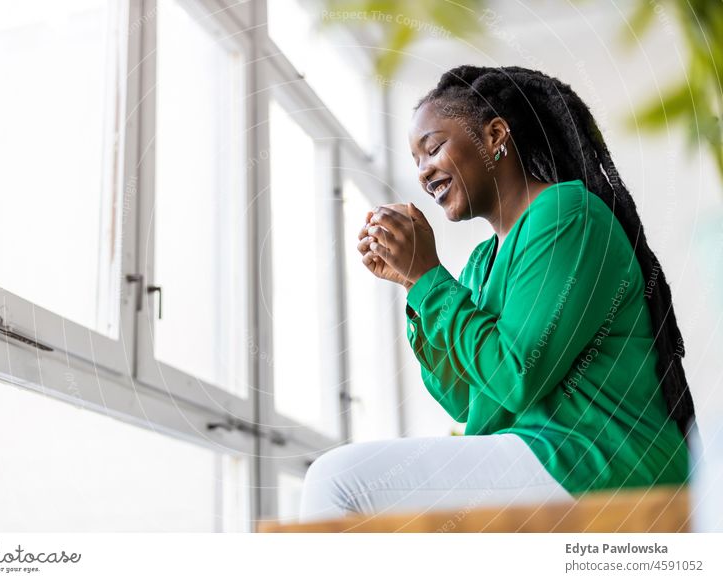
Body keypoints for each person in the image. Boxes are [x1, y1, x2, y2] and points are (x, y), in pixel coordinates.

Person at [298, 65, 697, 523]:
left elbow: (517, 374)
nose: (425, 172)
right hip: (545, 460)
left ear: (494, 135)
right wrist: (414, 283)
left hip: (598, 459)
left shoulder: (567, 215)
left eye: (433, 148)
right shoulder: (481, 262)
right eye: (415, 161)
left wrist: (428, 276)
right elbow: (466, 398)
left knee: (335, 480)